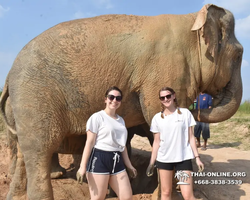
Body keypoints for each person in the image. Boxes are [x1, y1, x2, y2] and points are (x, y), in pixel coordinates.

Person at [76, 86, 137, 200]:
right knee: (98, 197)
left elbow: (122, 146)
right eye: (111, 97)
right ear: (105, 99)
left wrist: (129, 165)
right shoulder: (97, 117)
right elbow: (89, 143)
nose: (114, 100)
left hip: (117, 160)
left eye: (118, 98)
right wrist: (82, 167)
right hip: (99, 158)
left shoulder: (121, 120)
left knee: (127, 197)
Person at [146, 87, 204, 200]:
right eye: (162, 97)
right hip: (164, 159)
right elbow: (156, 142)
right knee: (166, 193)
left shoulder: (185, 113)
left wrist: (197, 157)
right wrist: (151, 163)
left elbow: (191, 137)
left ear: (174, 96)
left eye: (168, 96)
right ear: (160, 100)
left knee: (188, 194)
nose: (166, 99)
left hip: (183, 158)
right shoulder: (157, 118)